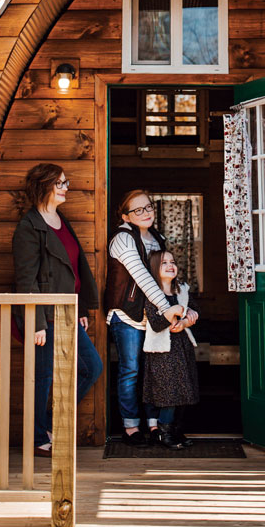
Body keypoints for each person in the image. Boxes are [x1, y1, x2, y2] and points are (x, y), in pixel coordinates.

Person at [12, 163, 103, 457]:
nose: (66, 187)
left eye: (66, 182)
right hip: (45, 317)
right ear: (44, 185)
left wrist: (80, 308)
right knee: (44, 377)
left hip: (67, 313)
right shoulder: (29, 227)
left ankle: (50, 424)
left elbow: (70, 268)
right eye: (61, 183)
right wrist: (35, 322)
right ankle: (38, 437)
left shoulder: (59, 219)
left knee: (92, 368)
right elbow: (26, 279)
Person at [103, 190, 190, 446]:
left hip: (153, 316)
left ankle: (154, 425)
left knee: (154, 372)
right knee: (130, 370)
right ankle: (131, 428)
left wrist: (182, 306)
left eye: (148, 207)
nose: (146, 213)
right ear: (125, 216)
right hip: (127, 315)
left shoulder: (157, 238)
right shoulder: (122, 239)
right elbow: (141, 276)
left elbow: (164, 278)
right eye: (137, 210)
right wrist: (166, 309)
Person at [142, 250, 200, 449]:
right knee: (169, 393)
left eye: (172, 262)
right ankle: (163, 433)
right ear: (154, 269)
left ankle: (176, 430)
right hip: (162, 351)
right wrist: (171, 312)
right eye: (163, 263)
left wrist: (185, 321)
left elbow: (193, 312)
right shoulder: (151, 294)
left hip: (181, 347)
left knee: (184, 389)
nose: (170, 265)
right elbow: (156, 324)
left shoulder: (182, 290)